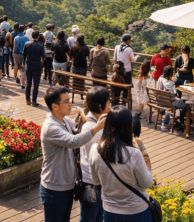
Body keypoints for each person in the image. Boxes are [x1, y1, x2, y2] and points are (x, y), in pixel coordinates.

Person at [41, 86, 106, 222]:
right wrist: (97, 127)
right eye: (66, 101)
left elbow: (78, 130)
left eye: (69, 100)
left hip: (66, 185)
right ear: (55, 106)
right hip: (54, 187)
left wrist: (82, 116)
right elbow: (74, 141)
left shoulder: (64, 120)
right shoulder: (50, 127)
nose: (70, 103)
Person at [89, 106, 153, 222]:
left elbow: (95, 181)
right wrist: (148, 166)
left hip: (110, 211)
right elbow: (146, 183)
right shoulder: (134, 153)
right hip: (137, 211)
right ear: (128, 127)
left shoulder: (95, 149)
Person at [78, 87, 111, 222]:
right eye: (108, 103)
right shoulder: (90, 127)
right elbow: (101, 155)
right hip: (91, 183)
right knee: (89, 218)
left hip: (96, 181)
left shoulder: (93, 123)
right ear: (100, 106)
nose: (110, 106)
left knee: (97, 217)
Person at [156, 65, 190, 131]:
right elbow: (173, 93)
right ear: (170, 73)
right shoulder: (168, 82)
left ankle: (175, 121)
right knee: (185, 105)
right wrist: (173, 82)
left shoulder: (160, 78)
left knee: (178, 102)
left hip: (160, 100)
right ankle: (178, 122)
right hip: (167, 102)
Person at [23, 30, 46, 106]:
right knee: (36, 84)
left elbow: (24, 54)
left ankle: (27, 100)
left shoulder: (27, 44)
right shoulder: (40, 46)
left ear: (31, 36)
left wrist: (23, 63)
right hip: (37, 66)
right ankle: (34, 101)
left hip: (28, 65)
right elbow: (43, 56)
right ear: (38, 36)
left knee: (28, 83)